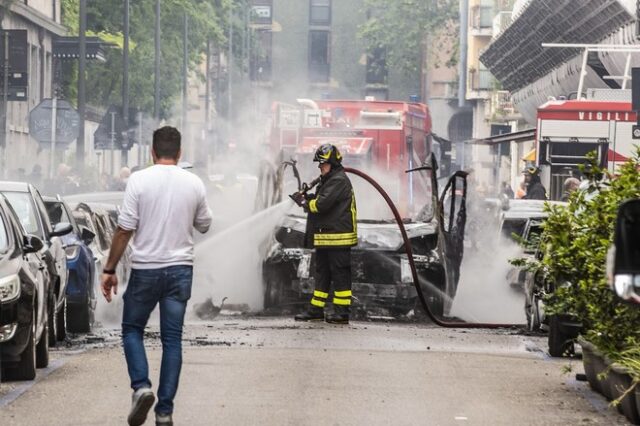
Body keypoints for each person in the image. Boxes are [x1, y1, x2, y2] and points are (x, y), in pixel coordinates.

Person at [100, 126, 212, 426]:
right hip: (180, 271)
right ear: (179, 153)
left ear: (151, 152)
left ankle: (141, 387)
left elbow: (124, 229)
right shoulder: (194, 183)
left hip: (146, 270)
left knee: (132, 329)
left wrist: (109, 269)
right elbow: (204, 224)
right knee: (172, 339)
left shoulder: (138, 180)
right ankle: (164, 412)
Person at [291, 144, 357, 324]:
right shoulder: (329, 180)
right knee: (322, 274)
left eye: (323, 164)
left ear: (333, 163)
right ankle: (316, 310)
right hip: (326, 237)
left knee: (339, 275)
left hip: (338, 238)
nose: (320, 167)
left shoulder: (338, 181)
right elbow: (320, 201)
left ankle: (342, 313)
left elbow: (320, 206)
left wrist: (304, 201)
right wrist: (308, 198)